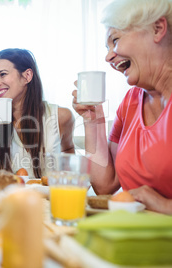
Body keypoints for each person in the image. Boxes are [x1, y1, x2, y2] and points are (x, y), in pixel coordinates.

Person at [72, 0, 172, 214]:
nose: (108, 56)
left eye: (115, 40)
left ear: (158, 29)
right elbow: (105, 185)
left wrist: (163, 205)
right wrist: (92, 119)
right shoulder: (131, 102)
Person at [0, 48, 75, 178]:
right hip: (11, 196)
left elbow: (68, 151)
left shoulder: (62, 116)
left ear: (27, 76)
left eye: (2, 74)